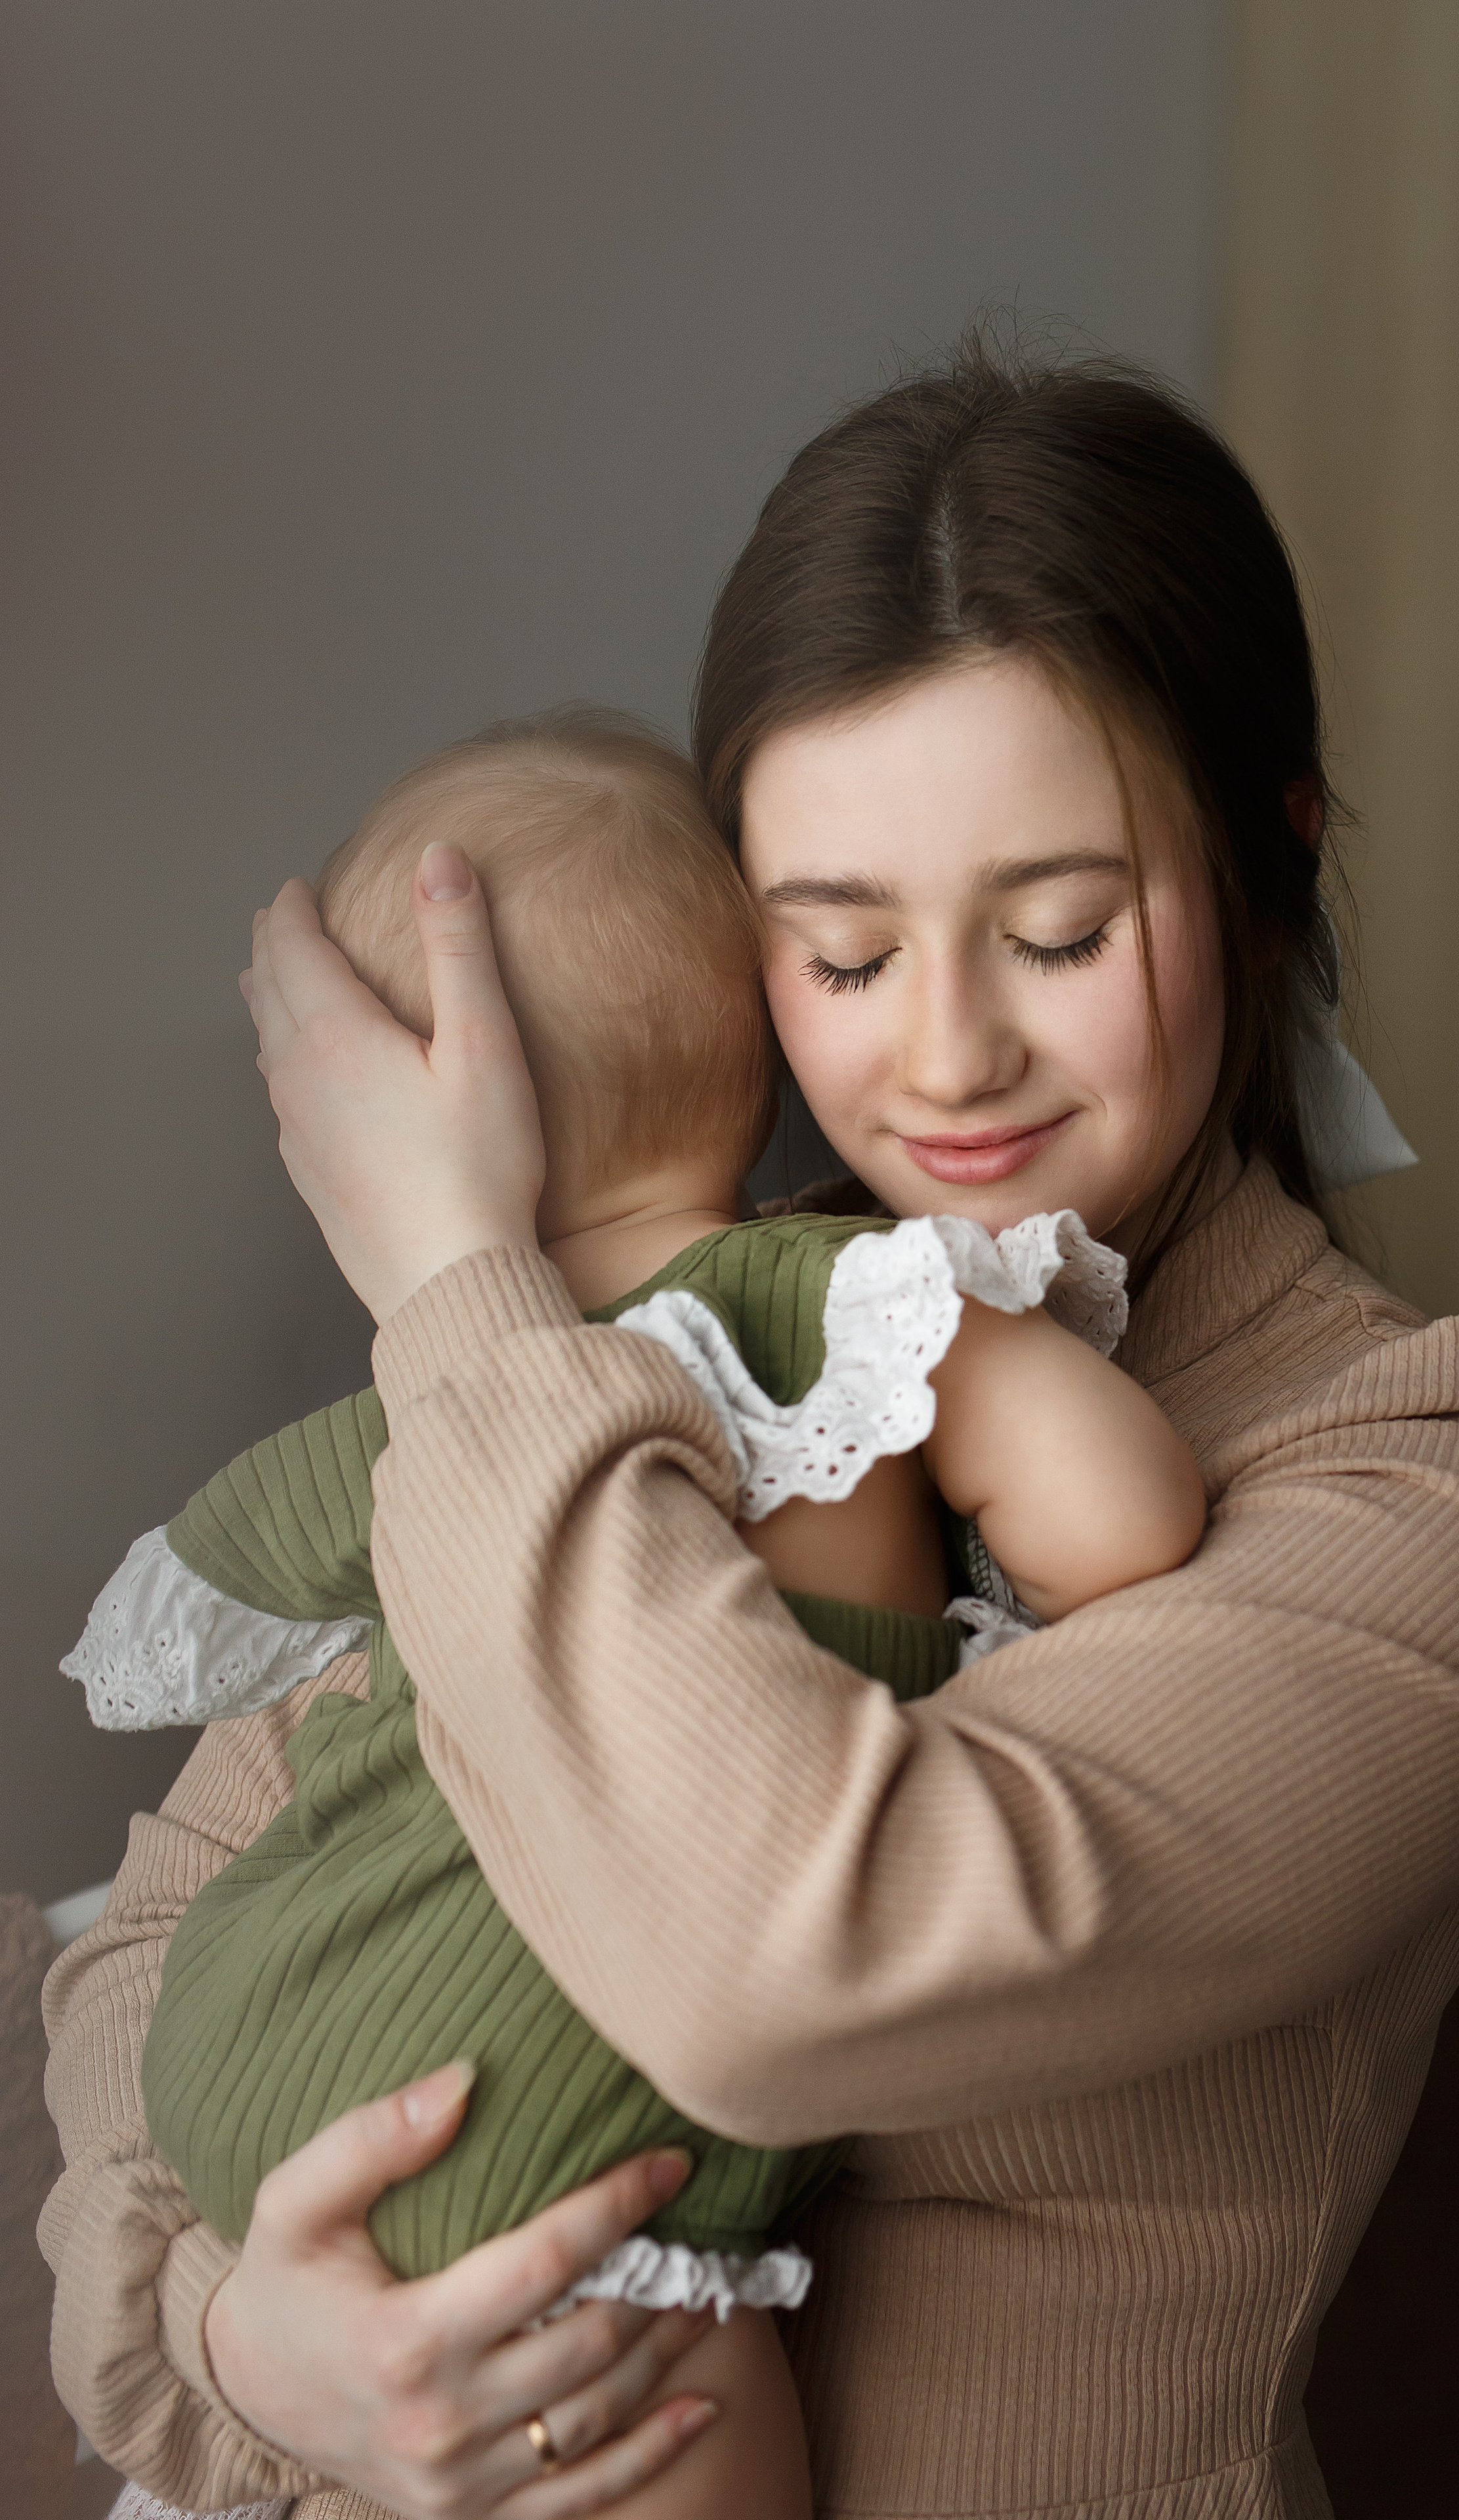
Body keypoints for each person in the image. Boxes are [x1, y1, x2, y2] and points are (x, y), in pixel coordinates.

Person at [42, 345, 1459, 2520]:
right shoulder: (660, 1348)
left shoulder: (1457, 1480)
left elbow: (779, 1972)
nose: (951, 1058)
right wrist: (253, 2350)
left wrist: (459, 1293)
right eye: (841, 952)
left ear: (1272, 863)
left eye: (1060, 929)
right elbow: (164, 1931)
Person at [60, 704, 1194, 2520]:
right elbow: (1128, 1521)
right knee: (673, 2409)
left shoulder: (427, 1418)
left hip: (281, 2081)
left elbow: (205, 1626)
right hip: (567, 2147)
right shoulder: (846, 1304)